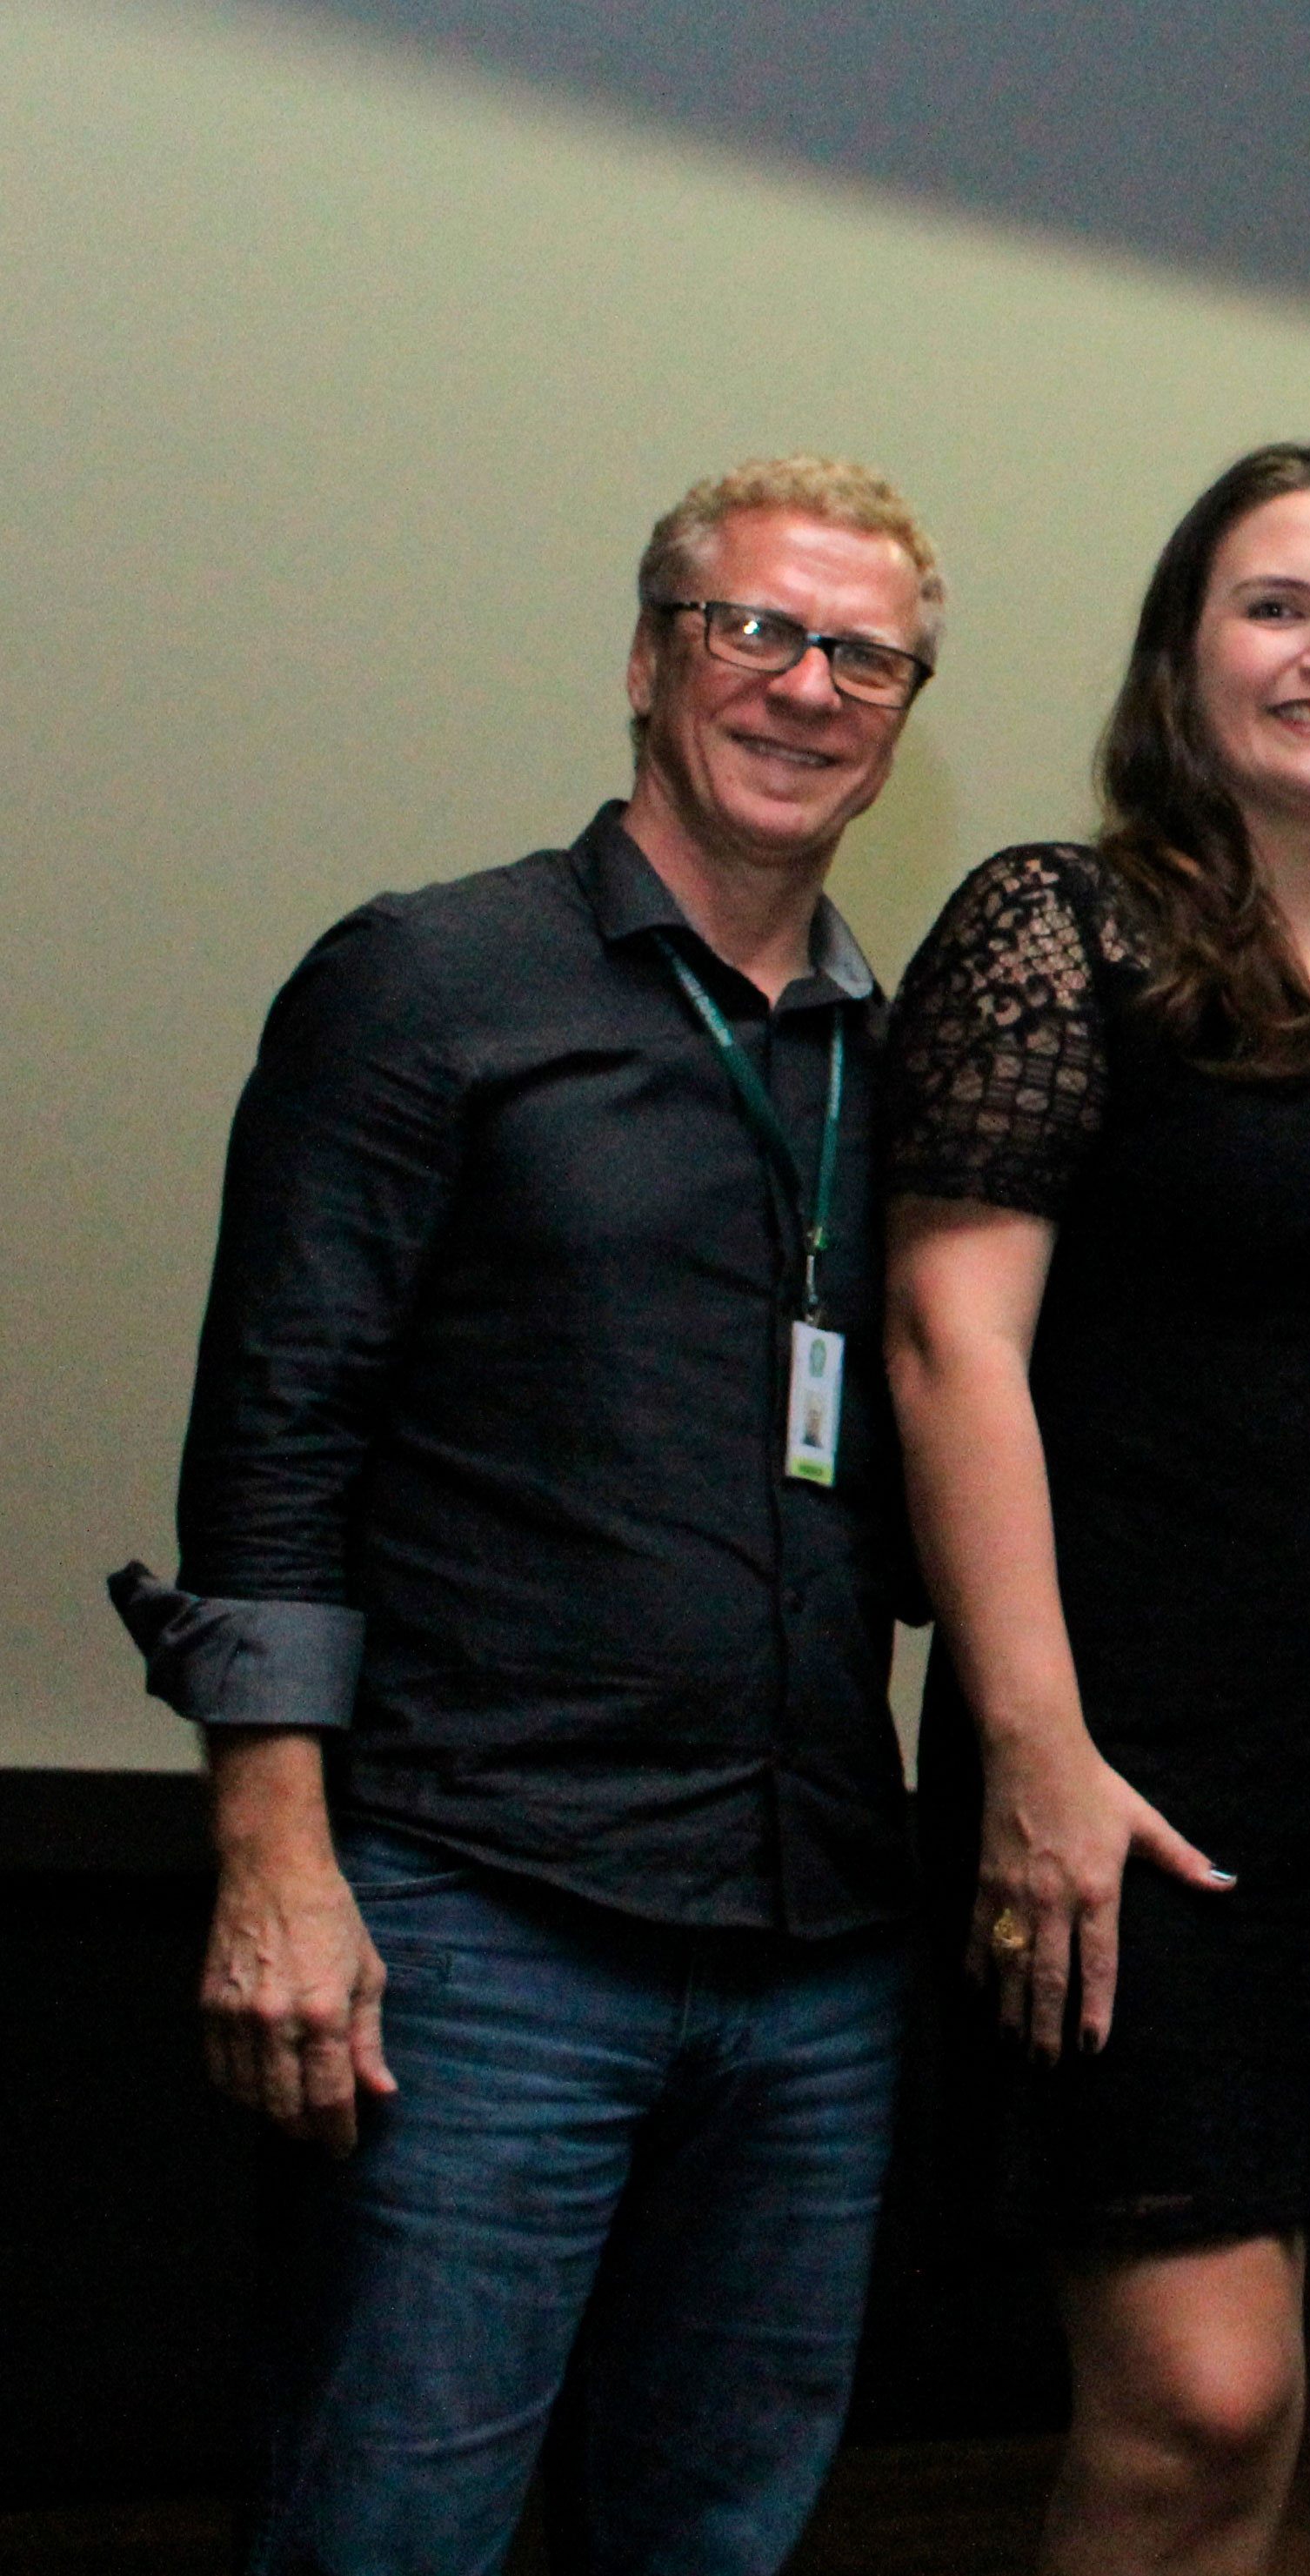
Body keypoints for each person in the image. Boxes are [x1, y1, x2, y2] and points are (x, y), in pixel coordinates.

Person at [105, 456, 942, 2573]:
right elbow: (276, 1436)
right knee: (390, 2528)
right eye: (758, 629)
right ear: (651, 661)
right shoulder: (430, 981)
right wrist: (274, 1863)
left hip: (818, 1950)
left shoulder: (903, 1068)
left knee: (721, 2537)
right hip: (480, 1923)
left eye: (864, 656)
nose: (807, 686)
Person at [879, 443, 1310, 2576]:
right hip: (1140, 1793)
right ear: (1184, 653)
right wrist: (1032, 1750)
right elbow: (947, 1341)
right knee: (1200, 2406)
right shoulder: (1060, 926)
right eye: (1278, 605)